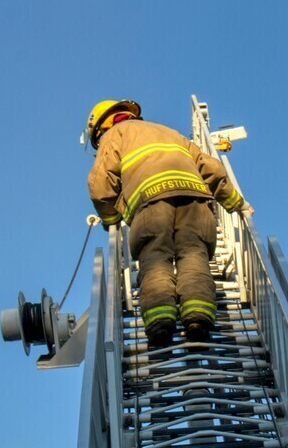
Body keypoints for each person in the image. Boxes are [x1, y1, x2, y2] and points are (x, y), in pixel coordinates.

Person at [85, 99, 252, 347]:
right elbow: (213, 170)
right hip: (195, 199)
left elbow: (100, 187)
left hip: (150, 204)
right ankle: (198, 318)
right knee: (194, 254)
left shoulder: (115, 135)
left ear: (102, 127)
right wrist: (237, 204)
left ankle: (160, 323)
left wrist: (111, 220)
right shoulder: (169, 132)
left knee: (155, 258)